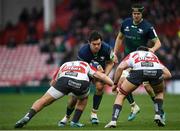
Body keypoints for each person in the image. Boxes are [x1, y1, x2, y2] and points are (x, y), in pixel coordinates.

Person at [14, 60, 113, 128]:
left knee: (43, 100)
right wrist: (113, 84)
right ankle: (74, 121)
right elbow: (101, 76)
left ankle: (28, 115)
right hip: (80, 82)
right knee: (83, 98)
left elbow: (53, 82)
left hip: (63, 80)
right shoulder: (88, 66)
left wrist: (52, 95)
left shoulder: (65, 64)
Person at [113, 3, 162, 121]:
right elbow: (120, 38)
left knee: (148, 88)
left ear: (141, 14)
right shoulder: (125, 23)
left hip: (142, 60)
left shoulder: (147, 27)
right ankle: (134, 106)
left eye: (138, 14)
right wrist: (115, 53)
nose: (136, 16)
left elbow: (158, 43)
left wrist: (152, 50)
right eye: (134, 13)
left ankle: (160, 111)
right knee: (121, 82)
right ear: (132, 14)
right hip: (129, 59)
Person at [104, 46, 171, 128]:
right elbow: (168, 74)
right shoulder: (152, 55)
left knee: (121, 94)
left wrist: (115, 84)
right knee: (159, 92)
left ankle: (113, 121)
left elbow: (120, 67)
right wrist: (156, 77)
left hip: (138, 72)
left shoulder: (133, 54)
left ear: (138, 50)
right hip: (155, 71)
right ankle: (158, 115)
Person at [58, 30, 115, 126]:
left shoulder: (106, 48)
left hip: (99, 73)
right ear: (89, 43)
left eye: (99, 44)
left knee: (100, 86)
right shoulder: (83, 52)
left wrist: (104, 75)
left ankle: (94, 114)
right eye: (94, 44)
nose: (97, 46)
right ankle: (66, 117)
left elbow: (111, 62)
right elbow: (81, 68)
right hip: (84, 74)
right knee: (74, 98)